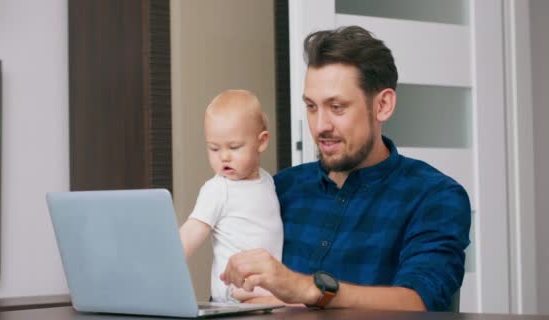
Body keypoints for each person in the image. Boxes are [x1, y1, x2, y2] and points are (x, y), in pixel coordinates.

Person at [220, 26, 471, 312]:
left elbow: (418, 302)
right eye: (312, 107)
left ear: (383, 105)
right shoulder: (280, 188)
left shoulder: (435, 197)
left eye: (337, 107)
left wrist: (307, 290)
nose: (320, 125)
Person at [179, 90, 283, 303]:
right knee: (296, 302)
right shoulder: (218, 189)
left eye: (234, 147)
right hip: (233, 288)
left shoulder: (267, 181)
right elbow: (190, 233)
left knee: (293, 297)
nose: (224, 156)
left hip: (263, 284)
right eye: (214, 148)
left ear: (261, 142)